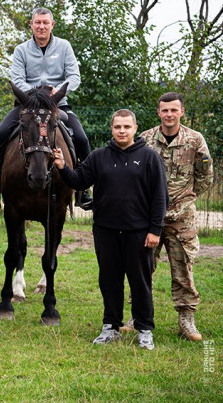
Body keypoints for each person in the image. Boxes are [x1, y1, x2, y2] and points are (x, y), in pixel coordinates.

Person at [52, 109, 168, 350]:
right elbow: (79, 181)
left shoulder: (149, 157)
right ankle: (111, 327)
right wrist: (63, 167)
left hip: (139, 232)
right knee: (109, 281)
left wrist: (155, 230)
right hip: (106, 231)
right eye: (117, 127)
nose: (122, 131)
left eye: (126, 127)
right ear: (112, 129)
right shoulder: (99, 156)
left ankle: (144, 330)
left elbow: (160, 197)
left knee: (140, 282)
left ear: (135, 129)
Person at [0, 7, 92, 209]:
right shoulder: (21, 50)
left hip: (57, 104)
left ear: (52, 25)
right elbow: (17, 79)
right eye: (38, 22)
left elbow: (74, 77)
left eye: (45, 22)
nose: (41, 26)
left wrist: (57, 91)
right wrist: (37, 94)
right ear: (31, 25)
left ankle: (83, 188)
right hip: (27, 105)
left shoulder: (64, 46)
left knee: (82, 139)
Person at [133, 92, 213, 341]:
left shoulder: (195, 140)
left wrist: (185, 198)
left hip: (181, 218)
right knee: (143, 267)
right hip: (148, 217)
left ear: (182, 112)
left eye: (174, 110)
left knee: (183, 269)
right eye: (165, 110)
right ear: (159, 112)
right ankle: (138, 317)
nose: (169, 114)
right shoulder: (145, 139)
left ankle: (186, 321)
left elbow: (205, 176)